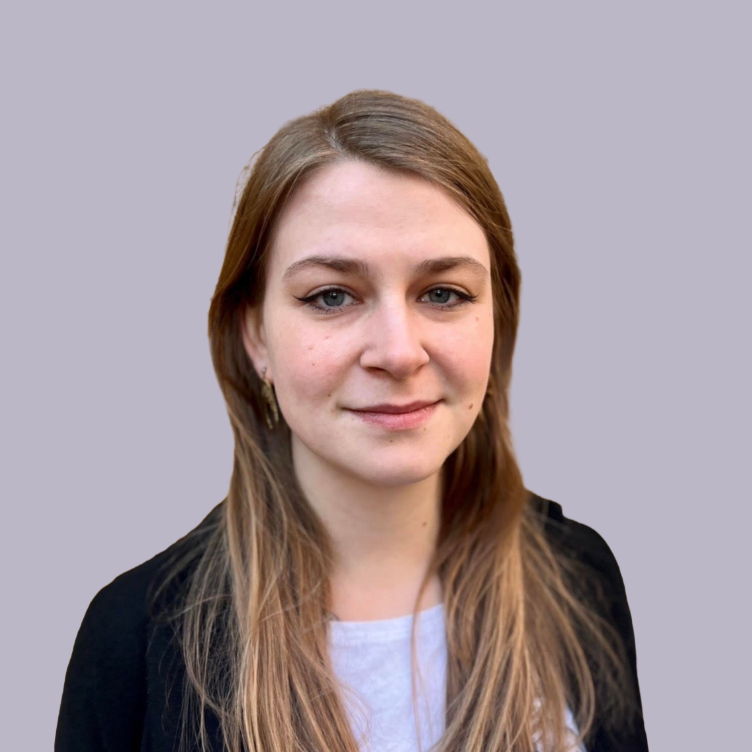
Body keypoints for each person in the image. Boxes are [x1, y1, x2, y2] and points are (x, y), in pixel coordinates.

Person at [55, 89, 649, 752]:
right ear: (255, 335)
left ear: (496, 321)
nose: (398, 351)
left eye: (443, 293)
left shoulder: (579, 578)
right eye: (332, 296)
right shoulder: (132, 642)